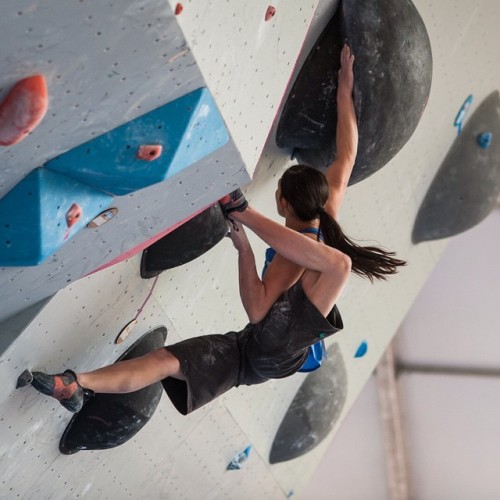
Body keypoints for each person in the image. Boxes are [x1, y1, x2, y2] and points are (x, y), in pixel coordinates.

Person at [25, 45, 405, 415]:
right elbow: (347, 155)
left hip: (273, 345)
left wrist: (245, 250)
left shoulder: (289, 264)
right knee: (166, 360)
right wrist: (343, 87)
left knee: (338, 265)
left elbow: (258, 311)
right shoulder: (328, 211)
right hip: (256, 351)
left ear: (285, 205)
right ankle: (76, 383)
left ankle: (244, 211)